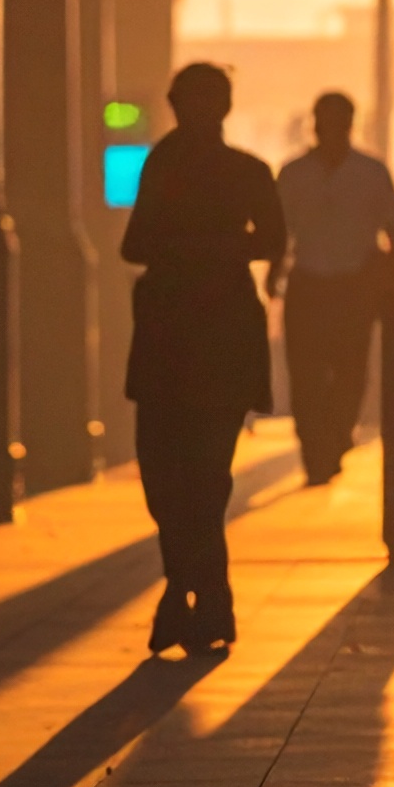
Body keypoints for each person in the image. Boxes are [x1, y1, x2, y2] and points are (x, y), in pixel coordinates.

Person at [122, 61, 287, 653]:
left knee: (191, 477)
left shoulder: (231, 171)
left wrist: (201, 247)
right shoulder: (183, 167)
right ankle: (203, 593)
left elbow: (271, 241)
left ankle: (189, 594)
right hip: (191, 339)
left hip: (200, 340)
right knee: (181, 479)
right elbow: (133, 244)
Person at [275, 92, 394, 486]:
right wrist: (273, 275)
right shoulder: (294, 174)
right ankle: (314, 451)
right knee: (304, 374)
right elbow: (278, 232)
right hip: (307, 283)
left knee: (351, 371)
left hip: (355, 285)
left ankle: (337, 433)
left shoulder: (371, 173)